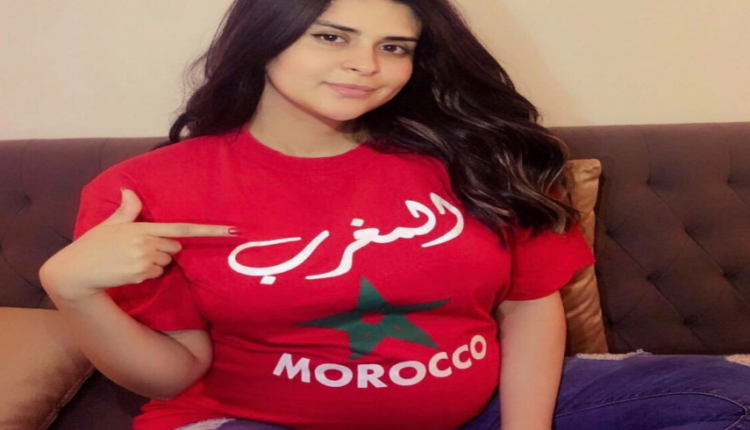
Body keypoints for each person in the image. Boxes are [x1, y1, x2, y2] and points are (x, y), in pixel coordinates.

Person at [39, 0, 750, 429]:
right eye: (331, 36)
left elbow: (529, 305)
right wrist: (73, 292)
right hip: (254, 419)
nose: (367, 65)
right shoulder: (145, 190)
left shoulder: (474, 154)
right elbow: (171, 375)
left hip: (484, 410)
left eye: (394, 47)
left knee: (730, 394)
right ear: (264, 38)